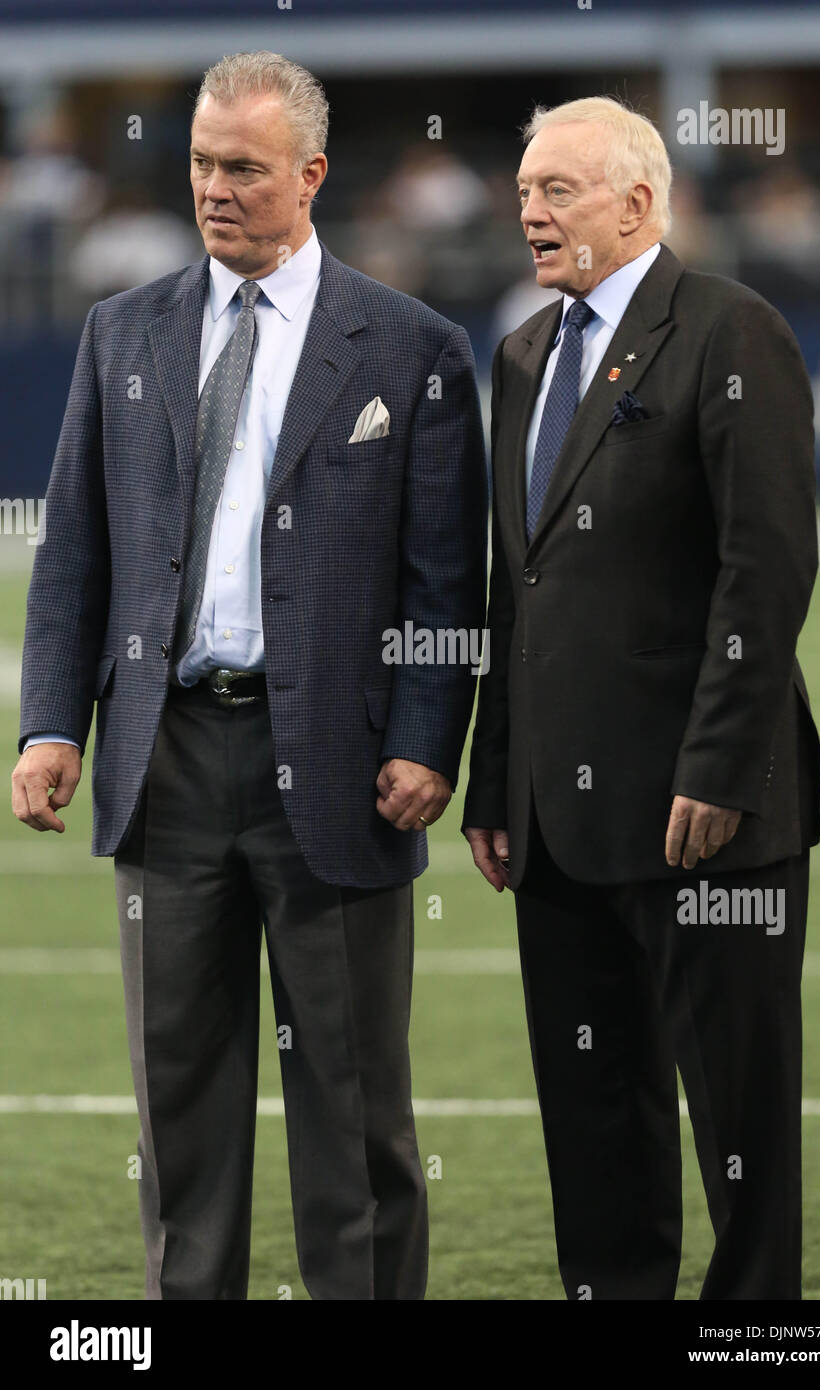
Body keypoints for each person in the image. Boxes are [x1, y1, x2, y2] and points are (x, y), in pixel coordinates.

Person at [13, 50, 487, 1301]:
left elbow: (447, 583)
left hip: (339, 766)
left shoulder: (412, 347)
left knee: (356, 1110)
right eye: (201, 166)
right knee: (180, 1114)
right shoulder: (122, 330)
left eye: (244, 168)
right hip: (164, 765)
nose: (215, 190)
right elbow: (74, 554)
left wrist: (431, 738)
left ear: (312, 175)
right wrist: (51, 722)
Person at [462, 96, 820, 1301]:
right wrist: (494, 776)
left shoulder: (733, 330)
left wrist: (721, 769)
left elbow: (766, 566)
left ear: (637, 200)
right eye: (523, 192)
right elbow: (516, 586)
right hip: (558, 829)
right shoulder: (522, 353)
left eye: (556, 190)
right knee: (597, 1123)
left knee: (738, 1131)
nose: (529, 211)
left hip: (703, 820)